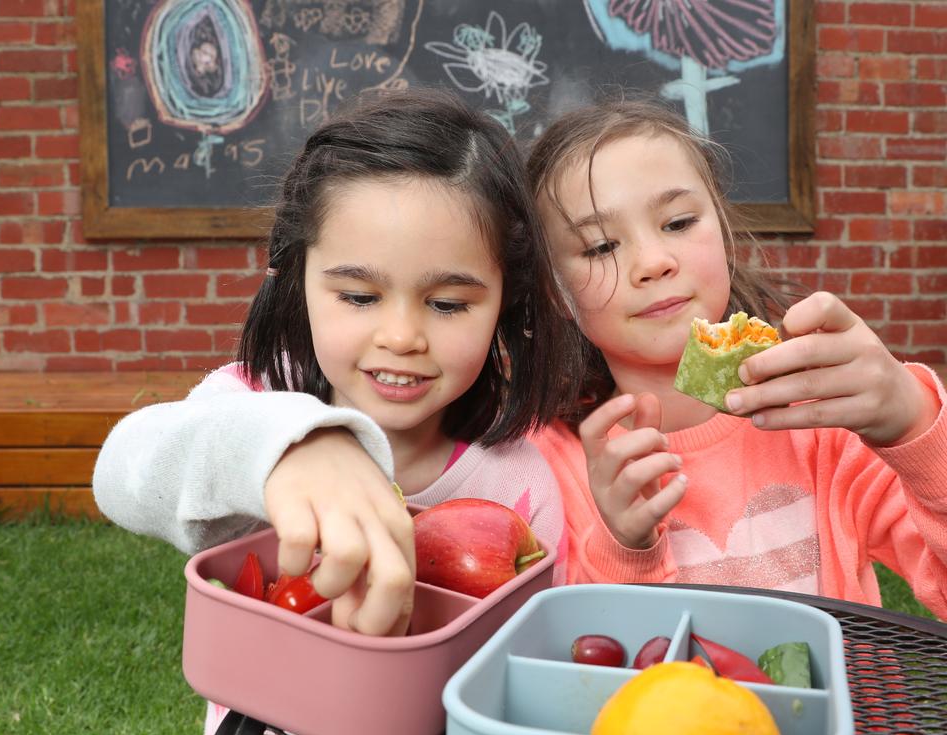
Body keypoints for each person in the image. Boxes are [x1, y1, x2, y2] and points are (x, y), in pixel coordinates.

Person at [93, 88, 579, 637]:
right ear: (297, 275)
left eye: (447, 304)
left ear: (506, 300)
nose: (400, 337)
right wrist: (290, 449)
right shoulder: (256, 401)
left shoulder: (520, 485)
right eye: (357, 296)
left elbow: (531, 656)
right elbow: (121, 473)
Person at [525, 97, 947, 619]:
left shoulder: (824, 420)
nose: (654, 262)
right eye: (600, 247)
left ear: (724, 233)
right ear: (555, 291)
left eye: (678, 223)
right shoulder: (547, 464)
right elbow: (579, 668)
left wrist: (915, 427)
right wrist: (625, 550)